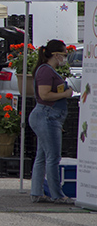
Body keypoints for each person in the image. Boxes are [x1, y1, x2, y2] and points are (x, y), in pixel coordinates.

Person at [29, 40, 76, 204]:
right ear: (56, 55)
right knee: (53, 157)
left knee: (42, 156)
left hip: (49, 116)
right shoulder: (46, 71)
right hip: (48, 116)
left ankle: (37, 192)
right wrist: (65, 94)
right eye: (64, 55)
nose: (65, 58)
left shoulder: (47, 71)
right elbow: (45, 95)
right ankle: (57, 194)